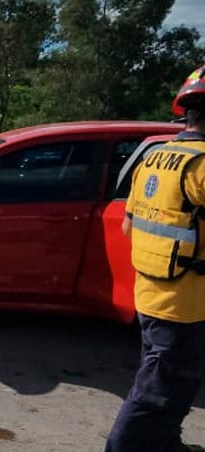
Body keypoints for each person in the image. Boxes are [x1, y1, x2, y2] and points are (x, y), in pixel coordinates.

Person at [104, 64, 205, 452]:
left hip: (152, 294)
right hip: (185, 304)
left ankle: (166, 446)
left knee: (172, 389)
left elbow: (130, 226)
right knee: (155, 395)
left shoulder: (157, 156)